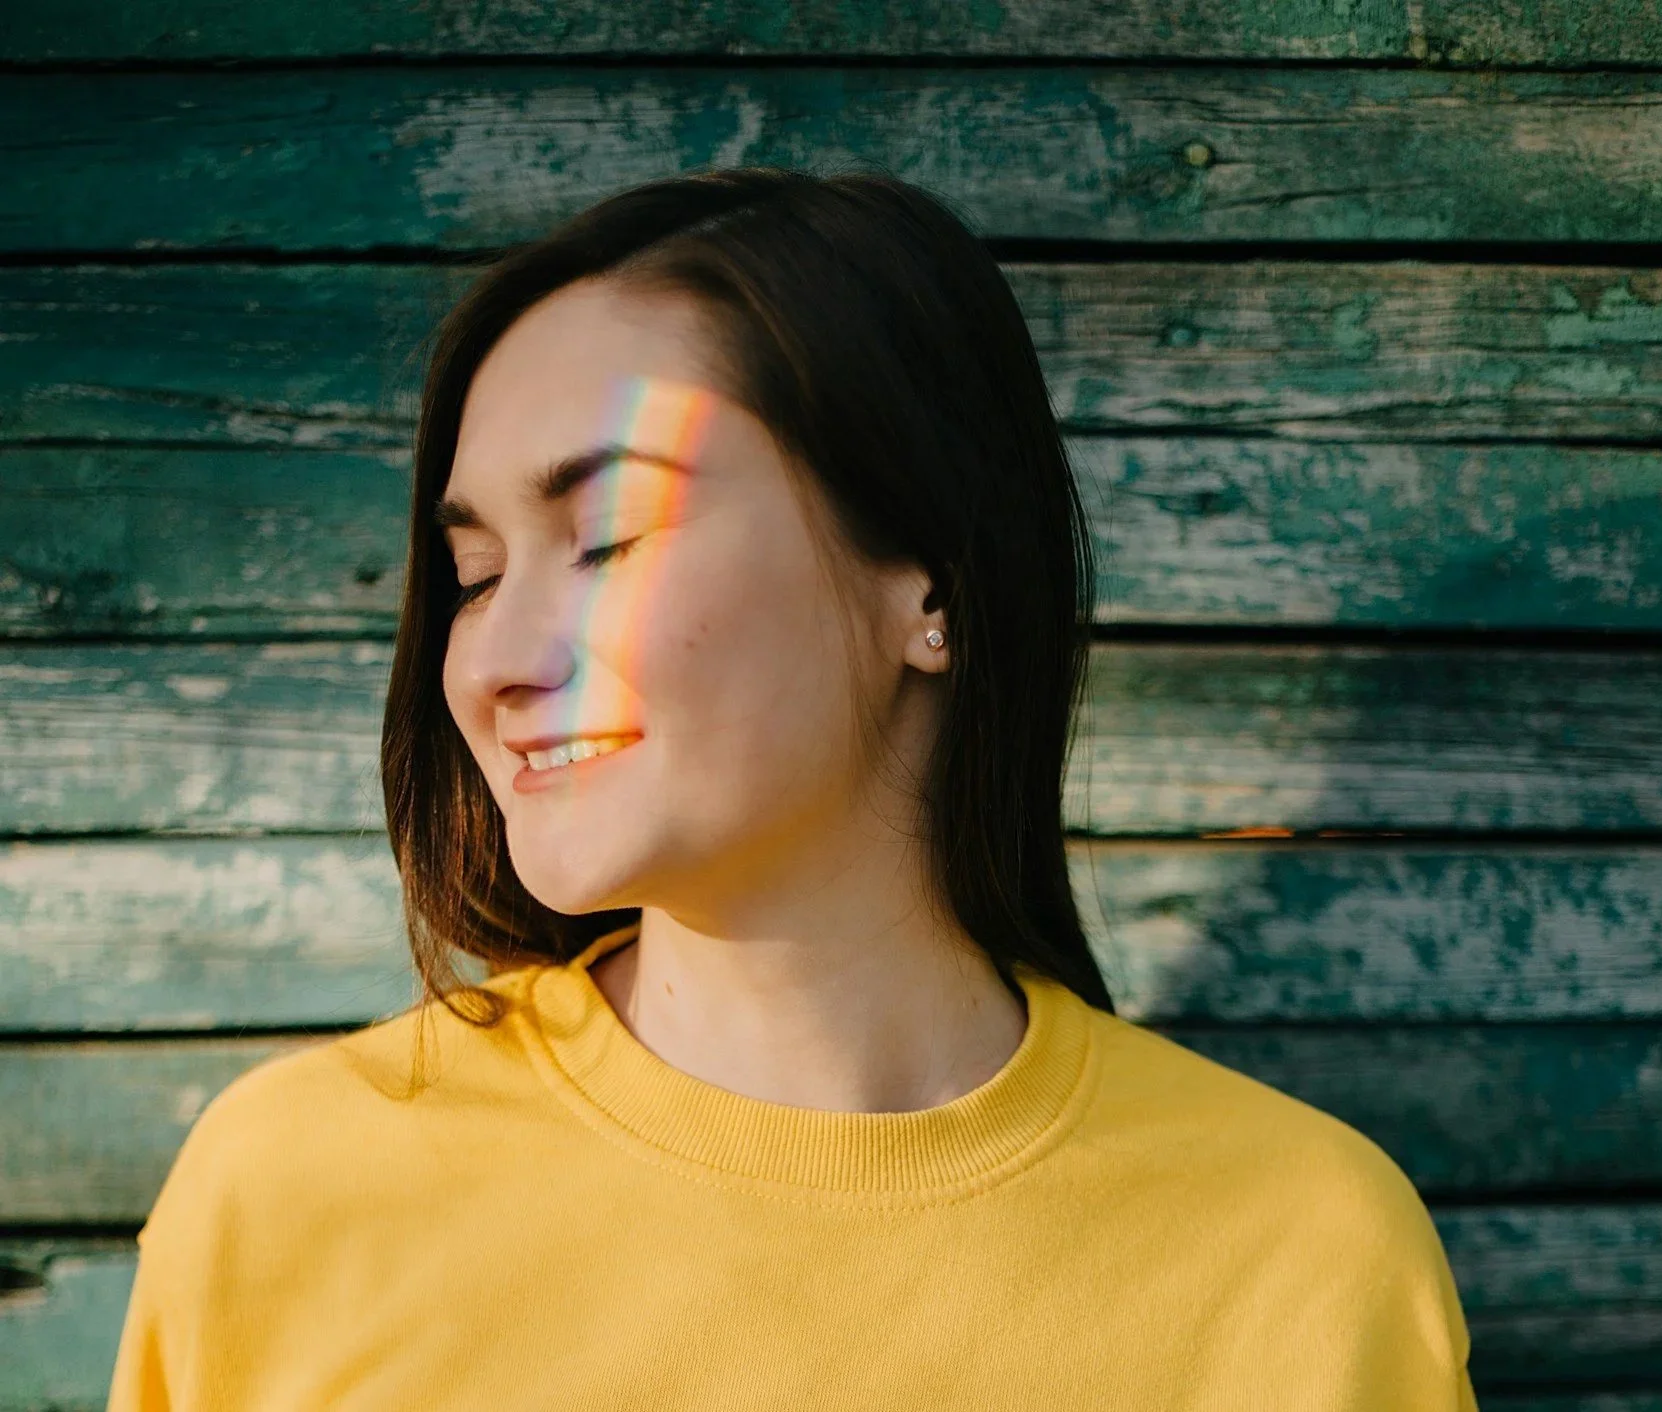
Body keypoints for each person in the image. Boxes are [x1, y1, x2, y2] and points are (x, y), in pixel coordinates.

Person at [107, 167, 1477, 1410]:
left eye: (603, 538)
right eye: (473, 573)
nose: (499, 662)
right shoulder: (297, 1192)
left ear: (927, 585)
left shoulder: (1299, 1256)